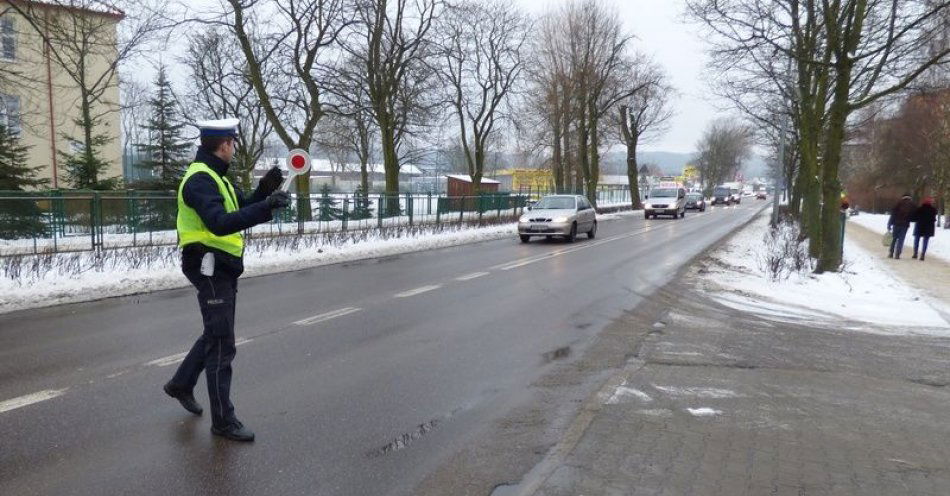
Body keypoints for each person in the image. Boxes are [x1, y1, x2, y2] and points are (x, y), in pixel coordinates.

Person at [163, 118, 291, 442]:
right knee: (222, 343)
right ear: (225, 145)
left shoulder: (217, 177)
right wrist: (265, 208)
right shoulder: (200, 180)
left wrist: (264, 192)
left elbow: (239, 208)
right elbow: (220, 223)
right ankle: (223, 420)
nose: (234, 148)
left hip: (222, 265)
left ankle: (181, 383)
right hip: (207, 265)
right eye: (233, 143)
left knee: (215, 333)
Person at [887, 193, 916, 259]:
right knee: (901, 239)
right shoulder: (912, 205)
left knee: (894, 239)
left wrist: (889, 224)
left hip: (896, 224)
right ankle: (897, 254)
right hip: (905, 225)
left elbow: (893, 214)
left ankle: (891, 253)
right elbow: (914, 216)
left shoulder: (898, 203)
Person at [913, 197, 938, 261]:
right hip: (928, 227)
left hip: (919, 226)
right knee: (925, 241)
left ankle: (915, 253)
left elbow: (915, 217)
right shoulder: (933, 210)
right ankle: (923, 255)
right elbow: (934, 219)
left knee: (916, 240)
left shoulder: (919, 209)